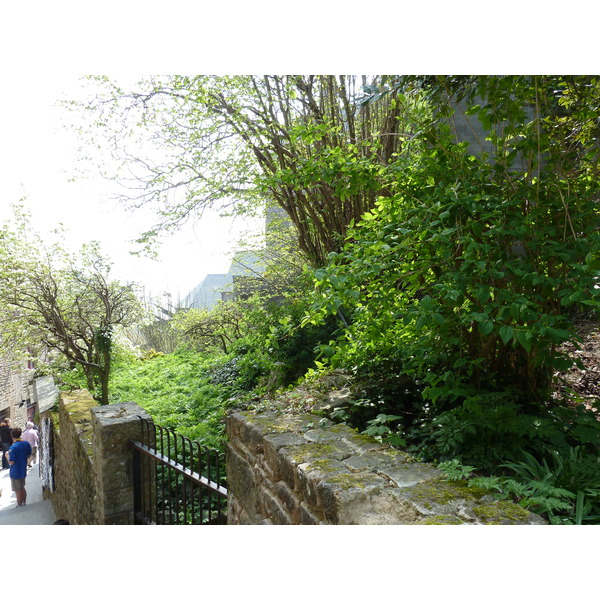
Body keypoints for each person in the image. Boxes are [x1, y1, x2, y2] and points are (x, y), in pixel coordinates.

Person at [6, 427, 31, 507]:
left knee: (17, 489)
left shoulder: (13, 448)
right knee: (22, 487)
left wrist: (7, 456)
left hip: (15, 471)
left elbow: (11, 462)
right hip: (23, 469)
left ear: (12, 436)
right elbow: (29, 453)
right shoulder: (26, 443)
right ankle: (24, 502)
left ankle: (19, 505)